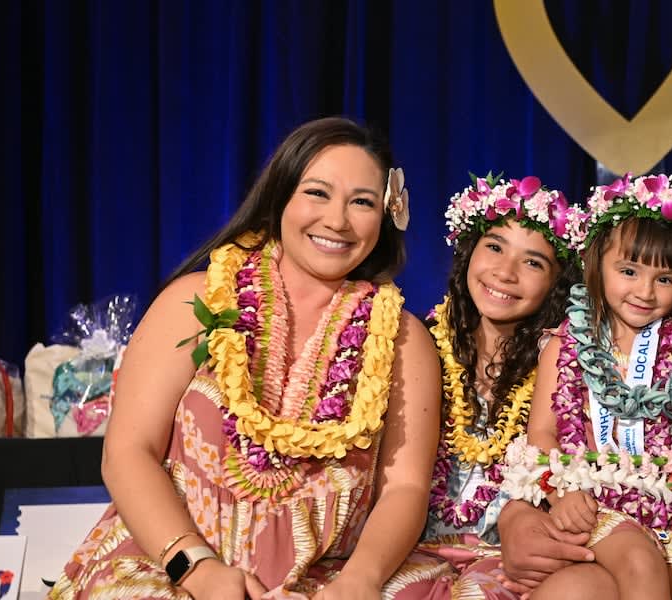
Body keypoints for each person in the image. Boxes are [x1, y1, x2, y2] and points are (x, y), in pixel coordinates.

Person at [50, 117, 441, 600]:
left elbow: (404, 489)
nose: (337, 220)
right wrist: (196, 568)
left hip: (334, 576)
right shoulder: (195, 301)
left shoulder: (402, 338)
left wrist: (360, 579)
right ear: (279, 198)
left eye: (361, 202)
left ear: (385, 217)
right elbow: (127, 452)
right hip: (174, 562)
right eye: (316, 193)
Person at [501, 173, 672, 600]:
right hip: (592, 499)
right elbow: (541, 433)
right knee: (638, 564)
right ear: (597, 263)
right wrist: (564, 488)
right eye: (628, 271)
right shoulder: (566, 343)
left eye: (664, 279)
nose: (645, 292)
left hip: (665, 502)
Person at [382, 175, 587, 598]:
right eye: (494, 247)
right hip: (407, 550)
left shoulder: (564, 368)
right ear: (467, 253)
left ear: (556, 283)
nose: (505, 273)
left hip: (509, 557)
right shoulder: (414, 346)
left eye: (533, 263)